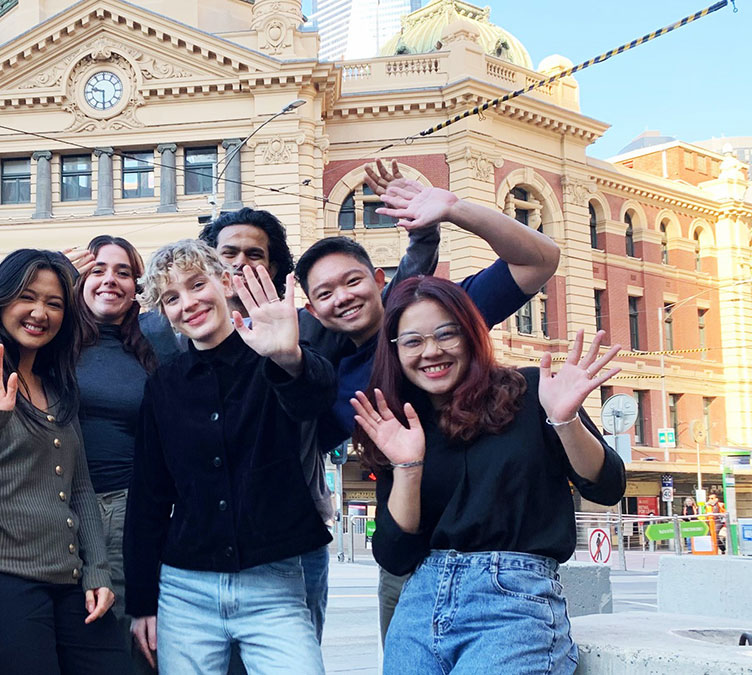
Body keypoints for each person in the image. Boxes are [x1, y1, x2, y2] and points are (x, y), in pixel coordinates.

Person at [295, 159, 562, 642]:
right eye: (325, 293)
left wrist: (456, 210)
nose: (343, 297)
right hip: (406, 565)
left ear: (379, 279)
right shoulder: (328, 381)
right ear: (312, 310)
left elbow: (539, 260)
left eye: (352, 281)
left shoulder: (441, 317)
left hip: (496, 567)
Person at [197, 174, 441, 644]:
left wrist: (424, 233)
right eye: (229, 254)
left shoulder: (311, 325)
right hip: (204, 529)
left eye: (256, 254)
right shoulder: (178, 335)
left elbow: (390, 298)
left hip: (293, 525)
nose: (242, 264)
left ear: (275, 269)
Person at [351, 276, 627, 673]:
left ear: (470, 334)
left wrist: (564, 422)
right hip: (421, 603)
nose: (431, 352)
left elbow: (607, 486)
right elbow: (395, 556)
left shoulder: (533, 391)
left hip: (513, 602)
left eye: (446, 335)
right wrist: (408, 466)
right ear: (394, 351)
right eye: (412, 341)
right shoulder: (399, 426)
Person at [0, 236, 162, 673]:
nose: (40, 312)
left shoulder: (60, 384)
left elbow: (79, 486)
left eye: (53, 303)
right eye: (26, 297)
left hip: (67, 569)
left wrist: (96, 570)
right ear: (1, 301)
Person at [124, 239, 333, 674]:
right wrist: (143, 603)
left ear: (223, 281)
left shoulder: (272, 356)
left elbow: (313, 399)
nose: (188, 303)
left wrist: (289, 356)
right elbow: (149, 499)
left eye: (197, 284)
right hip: (185, 588)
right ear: (165, 314)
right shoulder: (163, 387)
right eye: (171, 298)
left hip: (274, 582)